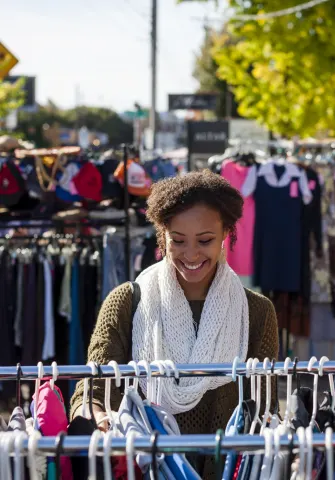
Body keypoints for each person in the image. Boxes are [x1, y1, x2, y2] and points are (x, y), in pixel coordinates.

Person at [70, 170, 279, 476]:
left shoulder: (257, 311)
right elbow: (92, 391)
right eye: (178, 240)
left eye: (205, 240)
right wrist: (98, 417)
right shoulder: (126, 302)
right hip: (145, 468)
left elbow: (263, 406)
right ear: (162, 235)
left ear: (226, 233)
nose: (191, 253)